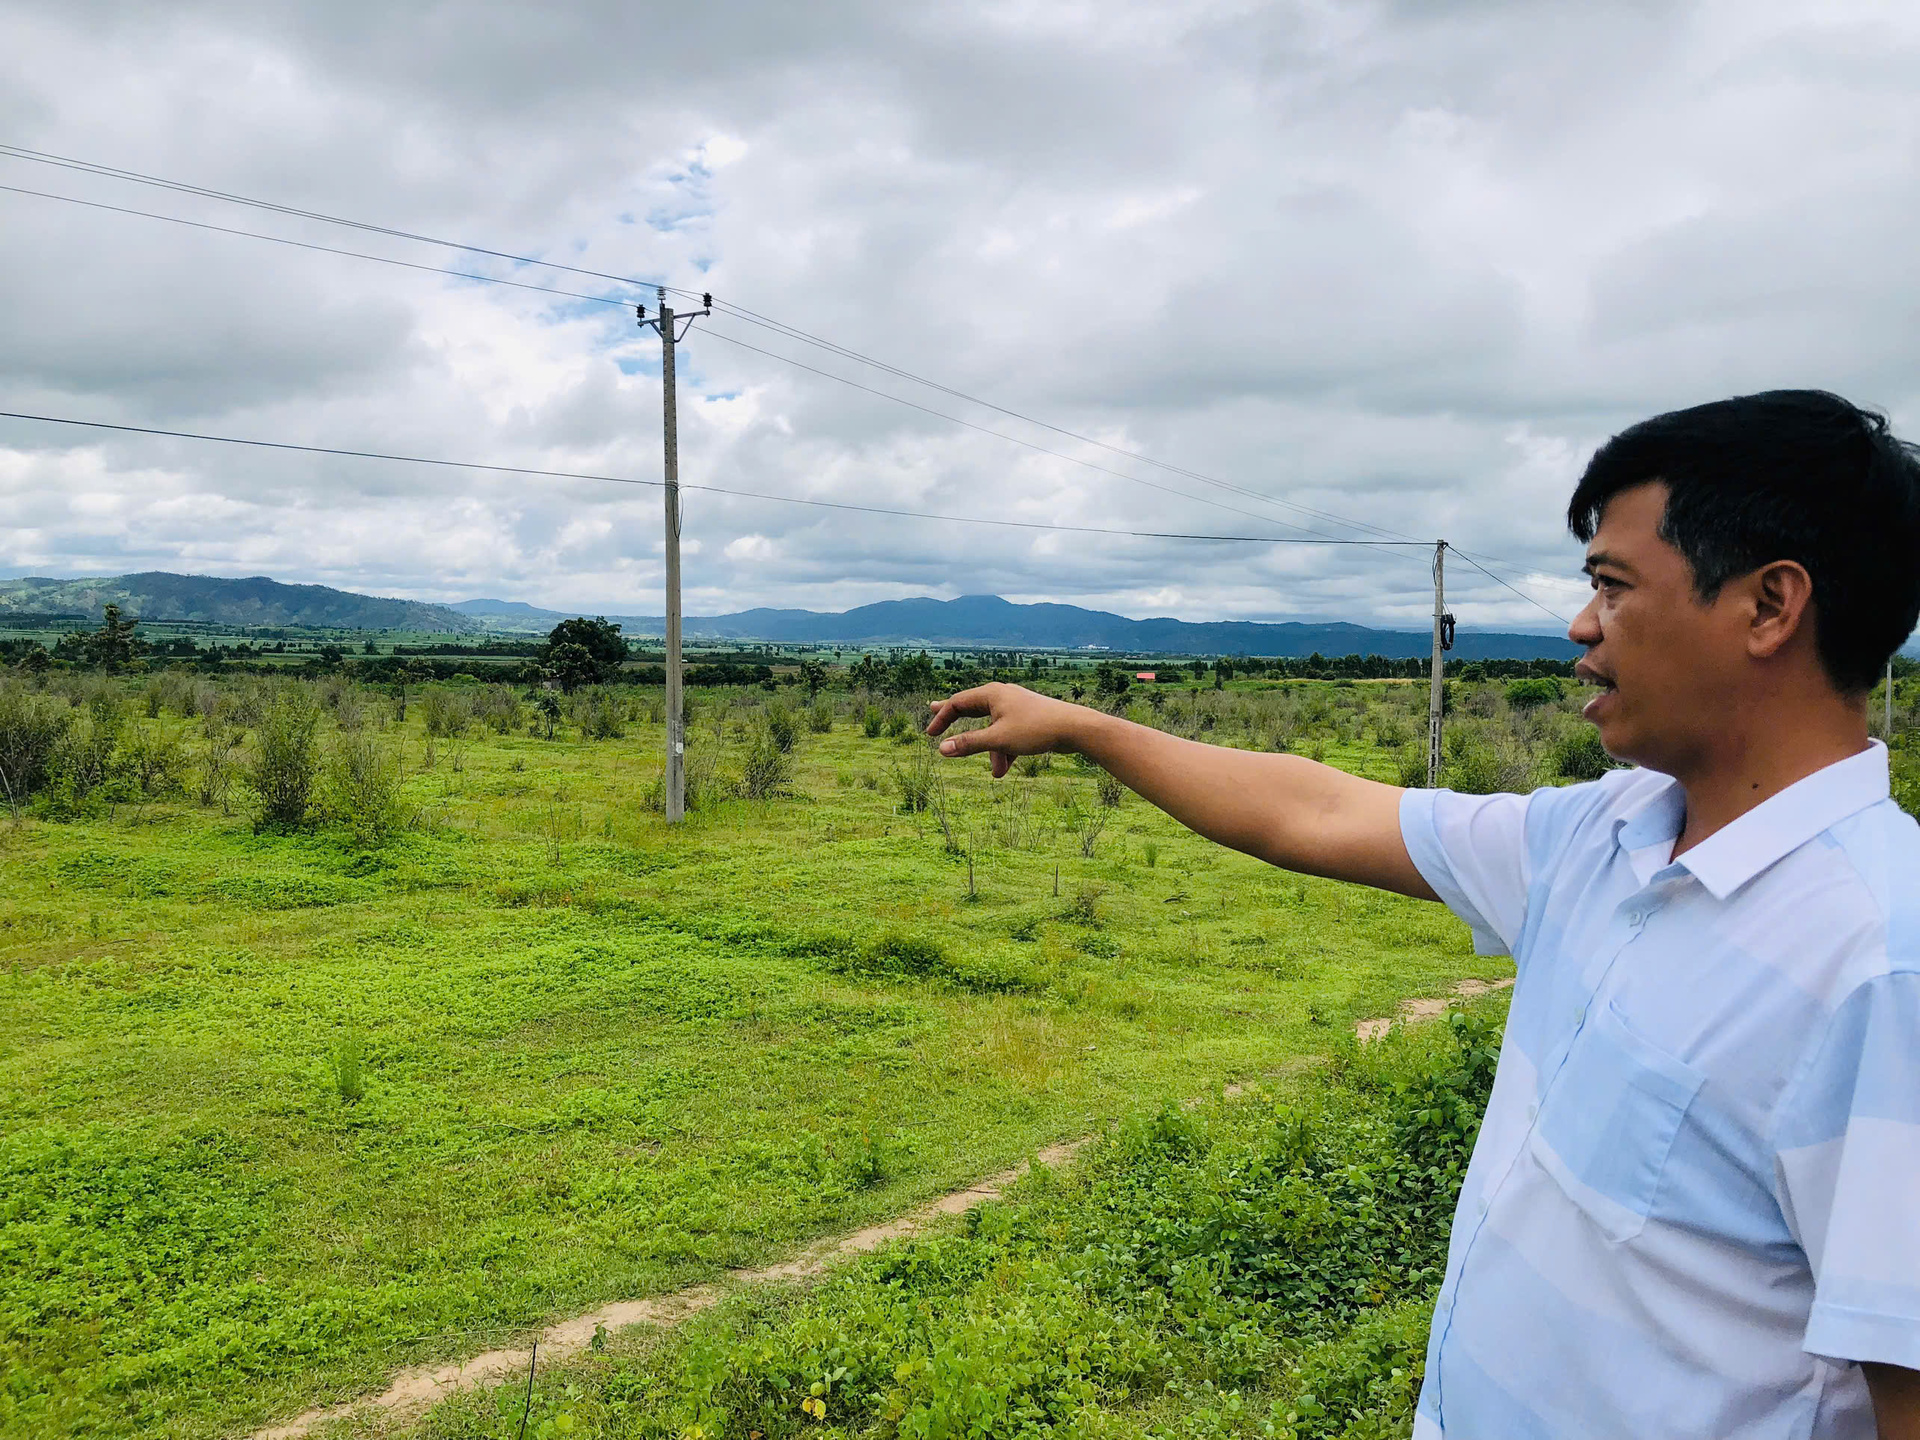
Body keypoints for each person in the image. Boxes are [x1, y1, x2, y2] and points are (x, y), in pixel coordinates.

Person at [926, 390, 1920, 1439]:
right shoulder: (1597, 838)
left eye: (1612, 587)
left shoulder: (1881, 963)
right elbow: (1318, 809)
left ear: (1769, 606)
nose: (1581, 626)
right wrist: (1086, 726)